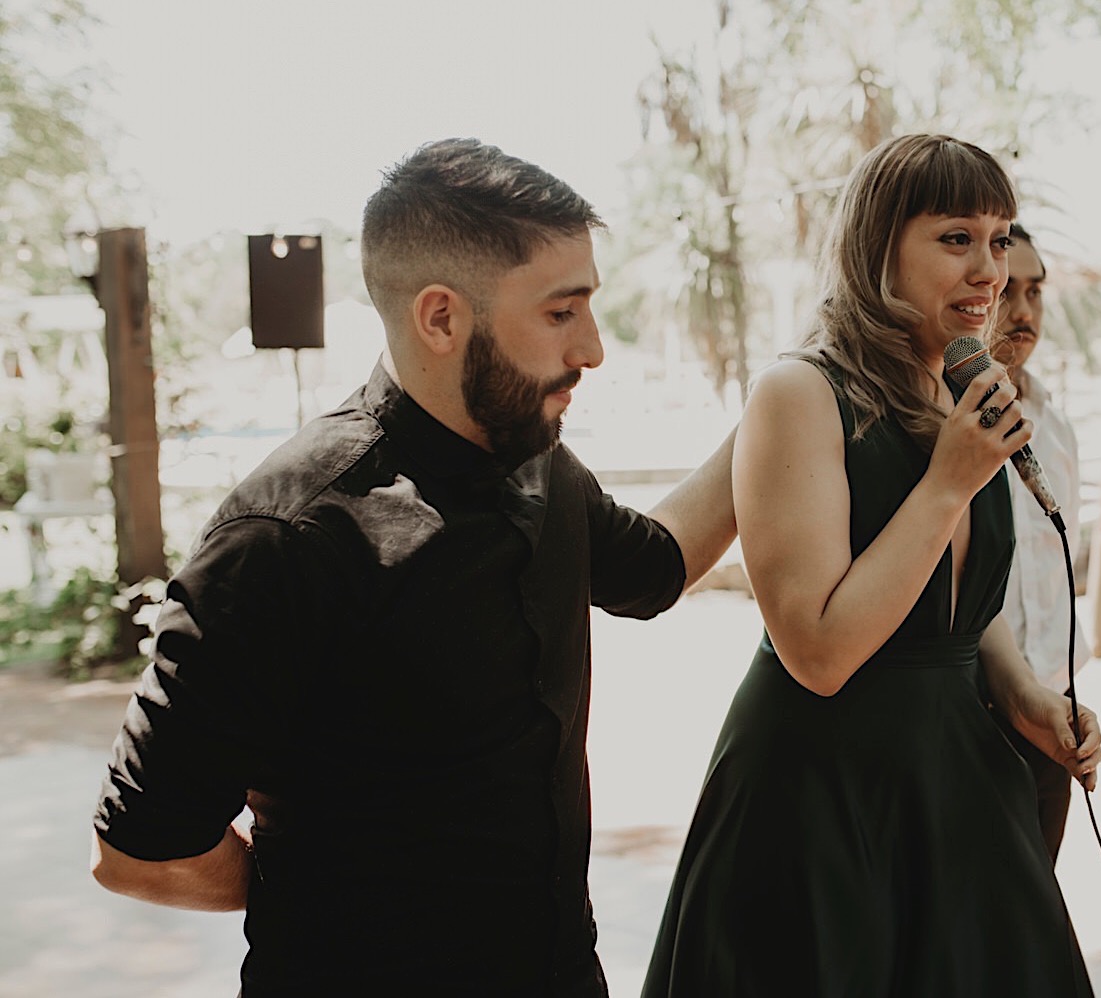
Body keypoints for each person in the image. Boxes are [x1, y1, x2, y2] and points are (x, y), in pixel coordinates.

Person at [89, 138, 737, 997]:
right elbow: (140, 850)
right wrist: (333, 907)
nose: (592, 348)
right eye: (560, 313)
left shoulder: (541, 465)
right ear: (440, 317)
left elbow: (656, 565)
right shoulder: (284, 537)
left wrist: (784, 404)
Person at [642, 134, 1101, 997]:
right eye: (957, 238)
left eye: (999, 239)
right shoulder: (800, 393)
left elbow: (961, 606)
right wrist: (947, 484)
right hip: (821, 797)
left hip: (957, 782)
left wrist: (1023, 695)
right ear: (879, 245)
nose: (990, 271)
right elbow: (817, 652)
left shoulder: (960, 389)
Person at [990, 221, 1092, 865]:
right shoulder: (935, 425)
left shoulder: (1055, 428)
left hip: (1051, 718)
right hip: (972, 714)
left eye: (1035, 292)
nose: (1023, 311)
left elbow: (1062, 566)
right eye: (1007, 292)